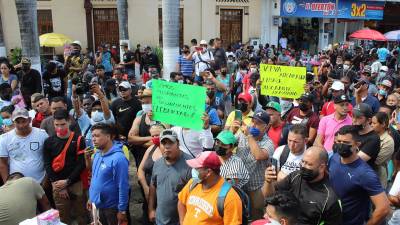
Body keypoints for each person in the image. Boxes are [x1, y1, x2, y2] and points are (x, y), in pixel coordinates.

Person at [264, 146, 342, 225]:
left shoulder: (330, 197)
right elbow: (269, 196)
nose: (303, 166)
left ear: (321, 167)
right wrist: (268, 182)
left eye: (309, 164)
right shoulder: (295, 176)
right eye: (303, 161)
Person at [329, 125, 390, 225]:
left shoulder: (365, 173)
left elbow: (384, 208)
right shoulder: (334, 158)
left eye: (346, 143)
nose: (340, 145)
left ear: (357, 144)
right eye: (338, 141)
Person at [42, 109, 86, 225]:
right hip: (57, 185)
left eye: (63, 124)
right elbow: (47, 164)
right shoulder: (48, 142)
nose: (60, 128)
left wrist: (68, 181)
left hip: (76, 182)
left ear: (69, 122)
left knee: (82, 214)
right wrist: (58, 185)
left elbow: (81, 163)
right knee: (63, 217)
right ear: (53, 123)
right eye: (57, 125)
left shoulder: (79, 139)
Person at [177, 151, 243, 225]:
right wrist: (182, 222)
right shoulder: (193, 183)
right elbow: (181, 202)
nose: (193, 170)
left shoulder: (230, 198)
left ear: (208, 172)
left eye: (197, 168)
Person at [236, 109, 274, 220]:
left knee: (255, 216)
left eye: (258, 124)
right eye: (253, 122)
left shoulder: (268, 143)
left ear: (266, 127)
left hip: (256, 188)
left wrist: (249, 137)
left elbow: (258, 155)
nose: (253, 125)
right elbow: (229, 143)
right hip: (239, 184)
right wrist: (232, 131)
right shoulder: (243, 135)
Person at [88, 123, 129, 225]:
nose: (93, 139)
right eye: (92, 136)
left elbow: (123, 186)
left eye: (97, 136)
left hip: (111, 208)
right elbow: (94, 178)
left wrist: (122, 210)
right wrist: (91, 197)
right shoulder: (97, 154)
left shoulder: (119, 158)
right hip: (96, 205)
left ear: (108, 136)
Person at [148, 129, 192, 225]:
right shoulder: (158, 163)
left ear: (178, 143)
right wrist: (151, 209)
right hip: (159, 220)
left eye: (170, 143)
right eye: (163, 143)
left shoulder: (190, 164)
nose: (167, 147)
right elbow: (153, 186)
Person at [0, 108, 49, 184]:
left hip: (40, 182)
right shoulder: (5, 138)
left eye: (24, 121)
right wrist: (8, 185)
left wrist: (45, 181)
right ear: (13, 121)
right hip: (16, 185)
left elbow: (49, 158)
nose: (21, 125)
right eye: (18, 122)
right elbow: (2, 164)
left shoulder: (42, 135)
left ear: (29, 120)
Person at [72, 83, 115, 148]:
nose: (96, 111)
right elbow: (78, 110)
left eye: (99, 110)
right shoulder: (85, 120)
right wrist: (74, 96)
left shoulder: (107, 120)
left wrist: (99, 93)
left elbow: (106, 111)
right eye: (94, 109)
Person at [137, 124, 164, 224]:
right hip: (148, 195)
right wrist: (145, 188)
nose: (154, 138)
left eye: (157, 135)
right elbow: (141, 170)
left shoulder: (169, 151)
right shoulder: (151, 149)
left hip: (162, 197)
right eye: (152, 136)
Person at [128, 89, 154, 166]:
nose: (145, 105)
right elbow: (131, 138)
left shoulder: (164, 120)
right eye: (143, 103)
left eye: (148, 102)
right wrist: (152, 138)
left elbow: (161, 141)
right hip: (141, 159)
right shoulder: (139, 118)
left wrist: (139, 142)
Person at [352, 103, 381, 167]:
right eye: (353, 116)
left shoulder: (373, 139)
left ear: (368, 120)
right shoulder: (352, 130)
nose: (354, 120)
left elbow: (355, 161)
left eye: (358, 118)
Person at [372, 112, 394, 188]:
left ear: (383, 124)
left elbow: (377, 161)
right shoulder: (371, 136)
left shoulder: (388, 141)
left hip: (378, 176)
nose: (371, 125)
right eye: (371, 123)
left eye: (374, 123)